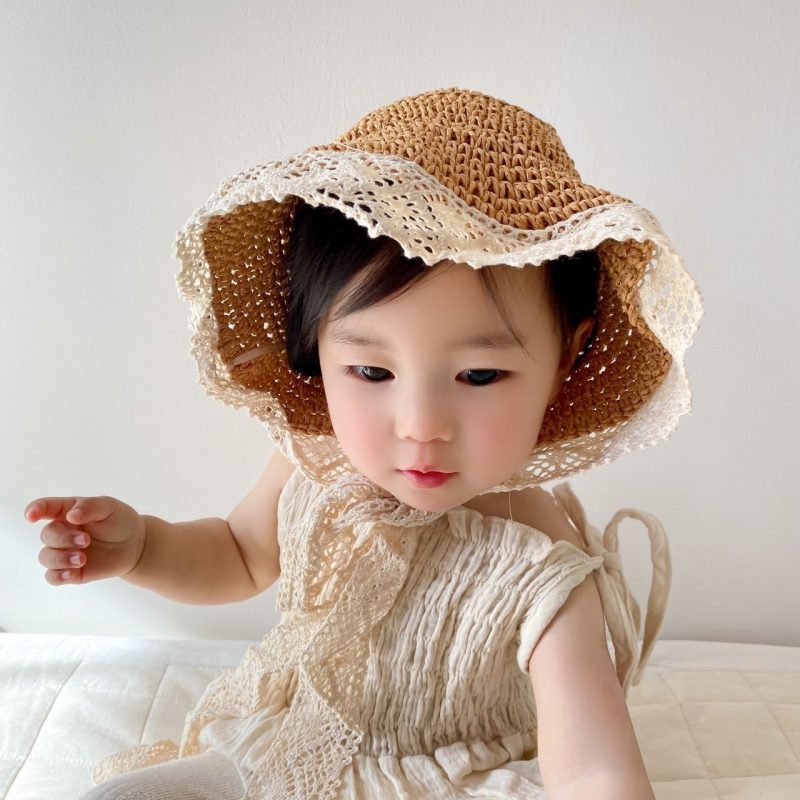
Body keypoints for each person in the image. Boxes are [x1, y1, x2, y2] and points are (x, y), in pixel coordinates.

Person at [26, 87, 703, 799]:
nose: (421, 424)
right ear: (317, 350)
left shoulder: (538, 553)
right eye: (373, 372)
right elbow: (237, 552)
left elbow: (594, 767)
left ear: (566, 358)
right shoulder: (312, 465)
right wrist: (144, 548)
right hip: (292, 745)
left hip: (453, 776)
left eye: (478, 375)